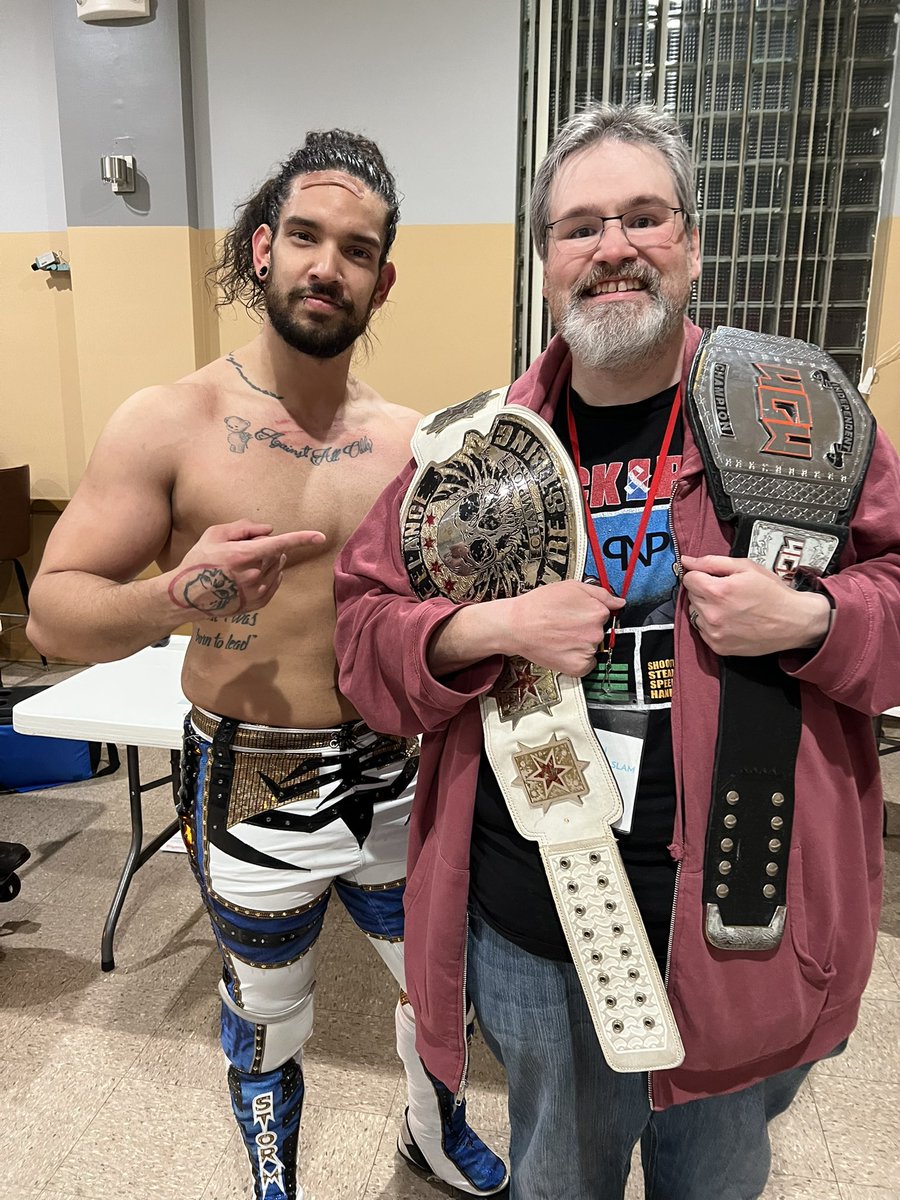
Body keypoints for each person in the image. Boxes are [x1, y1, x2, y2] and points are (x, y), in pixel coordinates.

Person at [333, 102, 900, 1200]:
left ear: (690, 243)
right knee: (559, 1180)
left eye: (644, 217)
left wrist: (816, 623)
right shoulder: (471, 448)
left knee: (718, 1182)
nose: (614, 248)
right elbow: (361, 639)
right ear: (545, 260)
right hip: (535, 928)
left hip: (745, 922)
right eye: (580, 226)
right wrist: (481, 630)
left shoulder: (803, 418)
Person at [26, 130, 508, 1200]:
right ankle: (271, 1178)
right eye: (303, 236)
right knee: (269, 1008)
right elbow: (56, 617)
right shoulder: (170, 423)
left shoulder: (416, 445)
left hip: (394, 768)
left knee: (442, 987)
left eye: (355, 248)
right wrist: (174, 595)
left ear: (385, 280)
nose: (325, 265)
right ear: (261, 249)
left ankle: (431, 1135)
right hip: (251, 770)